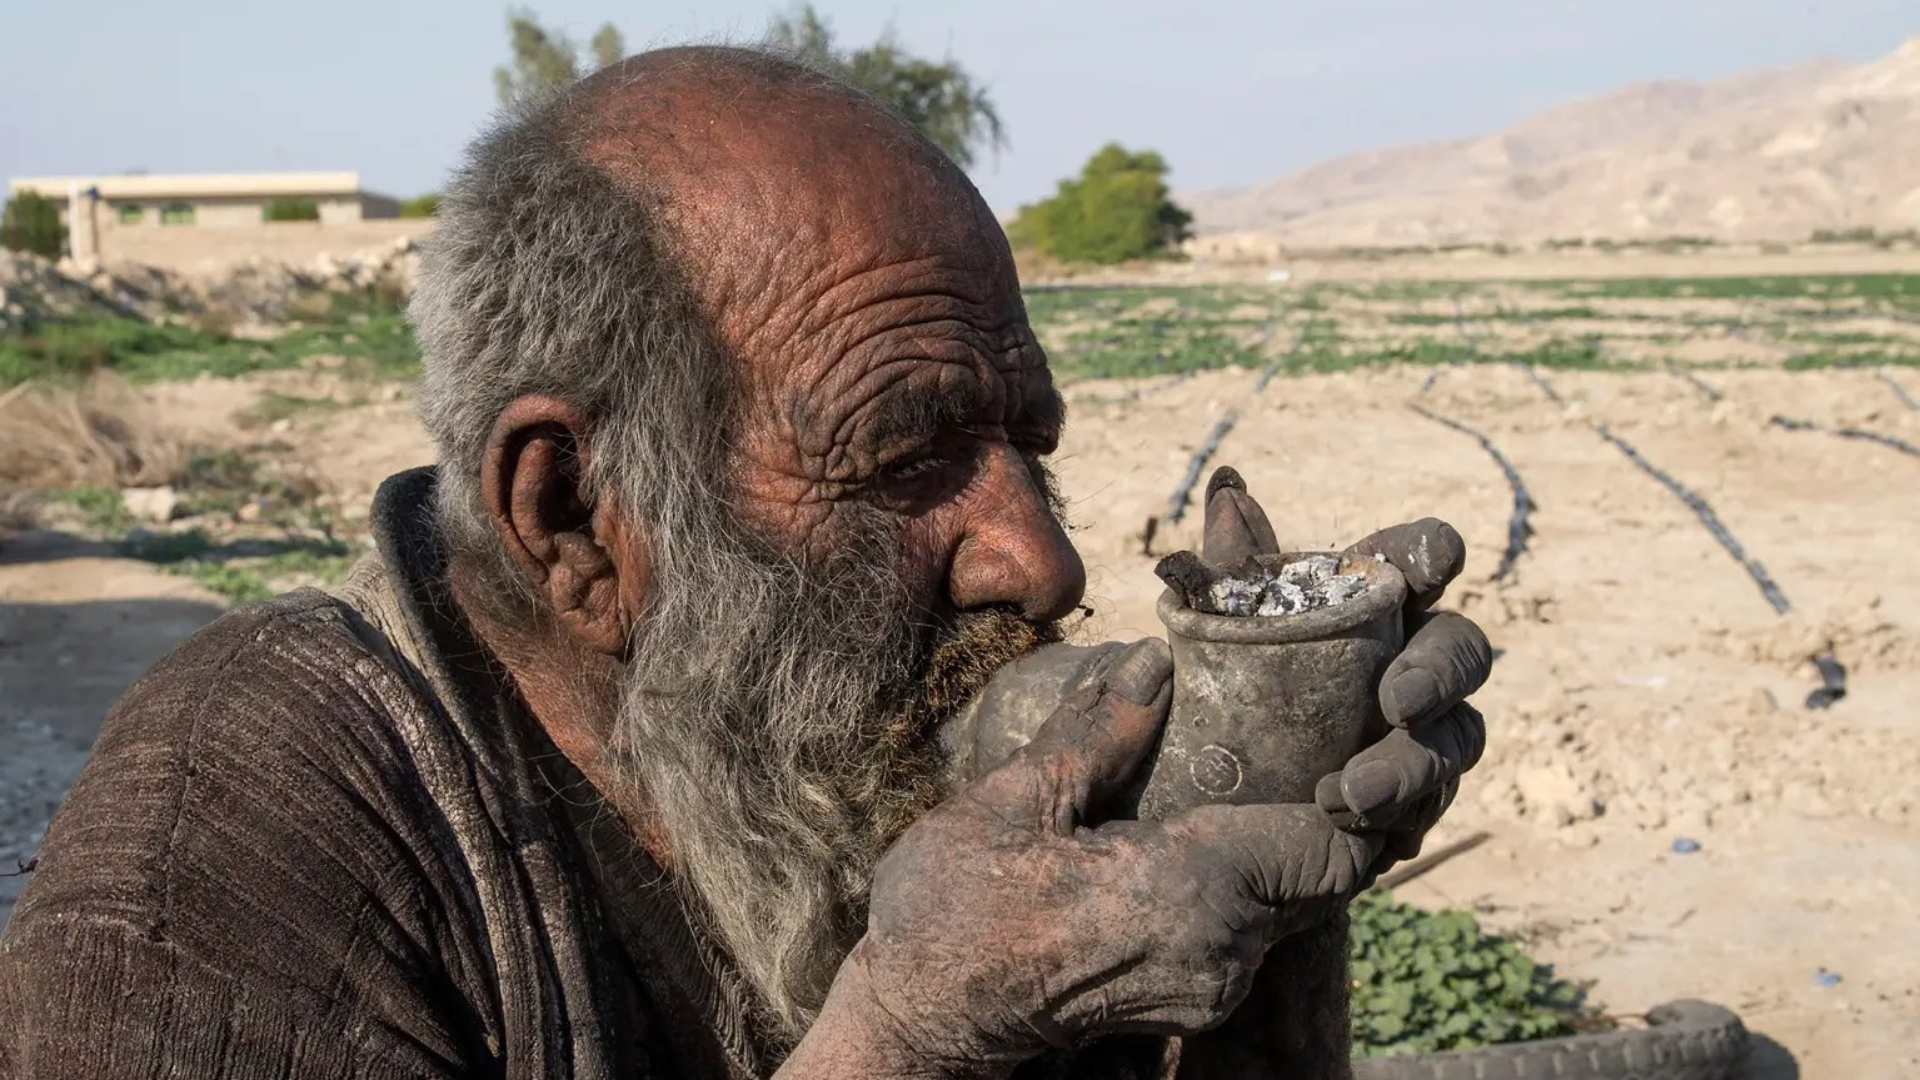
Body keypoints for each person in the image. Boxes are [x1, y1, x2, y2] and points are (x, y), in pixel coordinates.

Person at [0, 47, 1490, 1080]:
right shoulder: (241, 828)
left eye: (1026, 445)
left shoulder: (819, 754)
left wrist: (1274, 825)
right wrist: (914, 1038)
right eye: (904, 458)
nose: (1041, 559)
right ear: (576, 519)